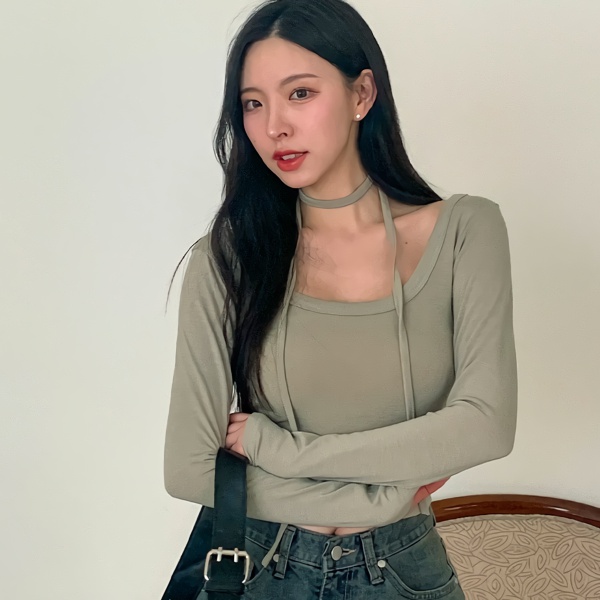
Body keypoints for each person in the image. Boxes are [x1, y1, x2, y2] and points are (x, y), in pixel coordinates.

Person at [163, 0, 518, 597]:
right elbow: (188, 469)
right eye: (253, 103)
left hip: (402, 569)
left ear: (362, 94)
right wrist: (382, 496)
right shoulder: (229, 258)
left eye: (300, 93)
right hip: (259, 564)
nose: (274, 126)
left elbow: (486, 425)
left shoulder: (465, 232)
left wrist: (281, 450)